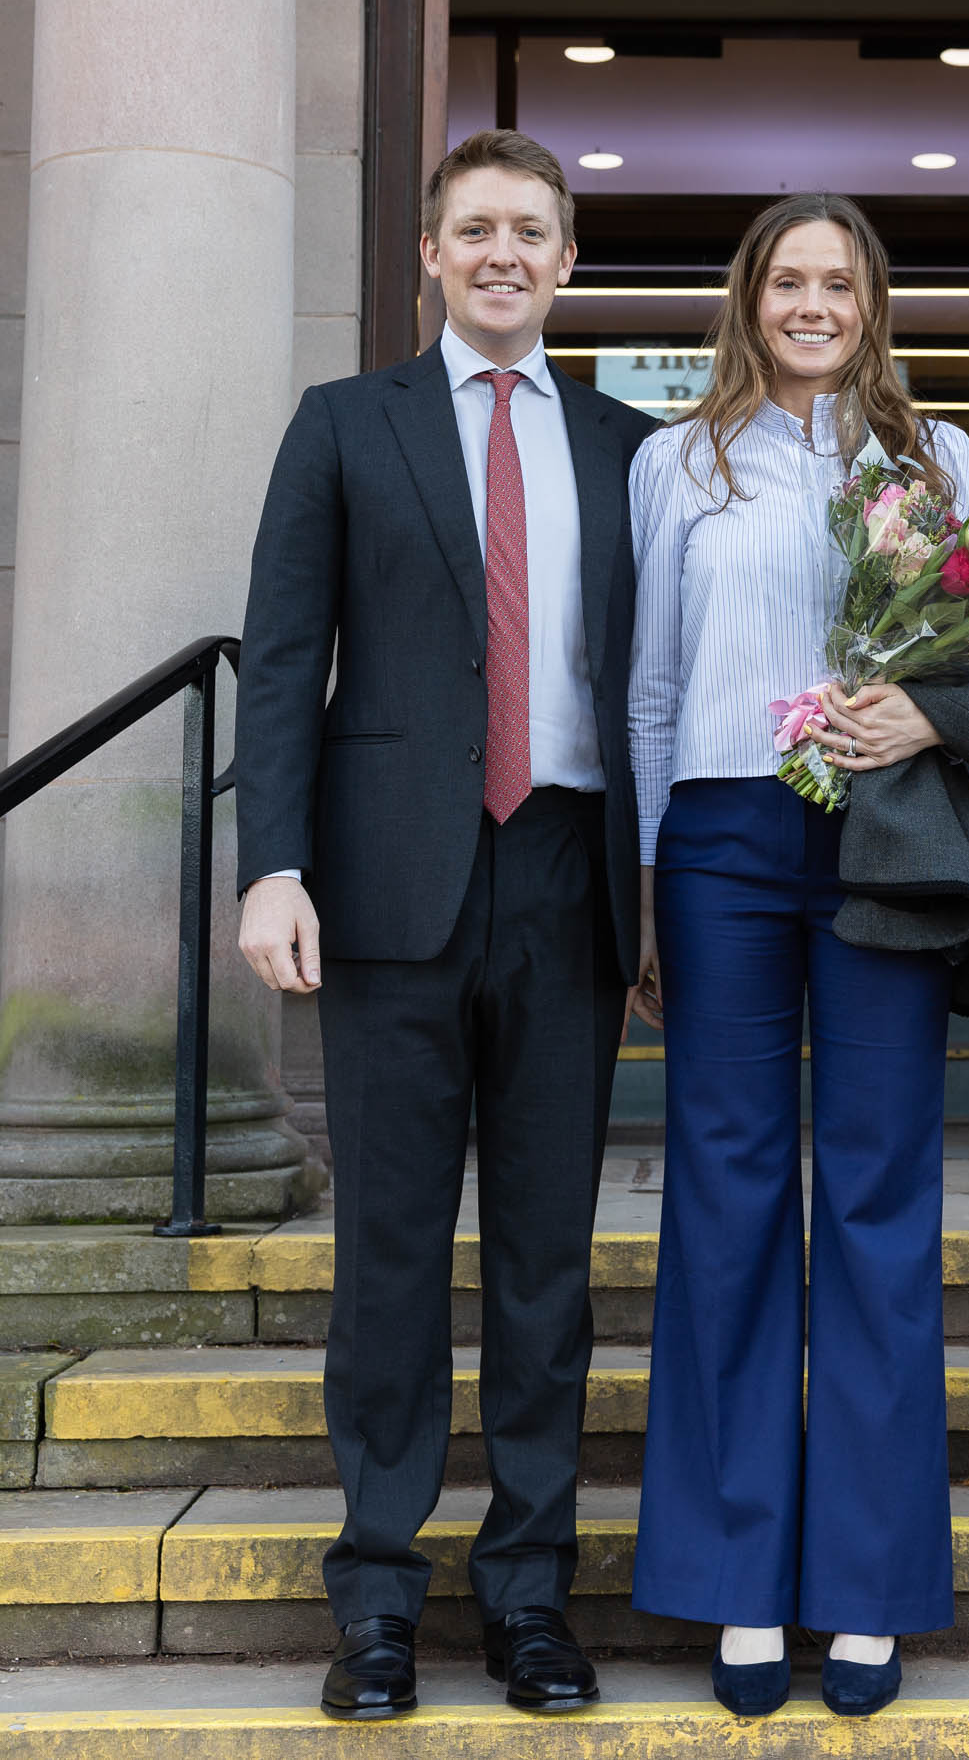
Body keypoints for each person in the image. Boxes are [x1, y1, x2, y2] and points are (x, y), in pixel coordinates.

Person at [625, 193, 969, 1719]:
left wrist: (921, 714)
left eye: (840, 281)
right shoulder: (674, 459)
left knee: (878, 1197)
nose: (813, 302)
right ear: (749, 299)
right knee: (730, 1194)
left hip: (886, 840)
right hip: (724, 843)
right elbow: (652, 684)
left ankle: (867, 1585)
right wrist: (644, 884)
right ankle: (741, 1580)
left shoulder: (934, 461)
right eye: (788, 279)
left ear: (876, 303)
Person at [234, 129, 653, 1720]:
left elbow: (660, 687)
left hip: (569, 871)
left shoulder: (633, 444)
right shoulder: (344, 425)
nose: (501, 254)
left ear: (566, 262)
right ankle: (379, 1600)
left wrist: (664, 889)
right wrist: (274, 863)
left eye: (530, 232)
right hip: (388, 891)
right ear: (428, 252)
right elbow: (283, 662)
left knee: (550, 1262)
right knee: (391, 1255)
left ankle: (531, 1594)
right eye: (474, 228)